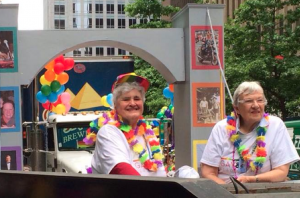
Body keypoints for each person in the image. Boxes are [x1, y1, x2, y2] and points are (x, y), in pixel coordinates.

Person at [200, 81, 299, 184]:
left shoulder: (275, 125)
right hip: (225, 191)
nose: (256, 105)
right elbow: (208, 172)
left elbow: (281, 172)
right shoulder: (221, 128)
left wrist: (251, 180)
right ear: (237, 108)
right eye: (249, 101)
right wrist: (229, 192)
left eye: (260, 100)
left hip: (263, 192)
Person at [91, 73, 166, 176]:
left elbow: (160, 172)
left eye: (137, 99)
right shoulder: (108, 132)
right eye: (126, 99)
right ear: (115, 105)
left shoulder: (148, 133)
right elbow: (121, 170)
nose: (132, 103)